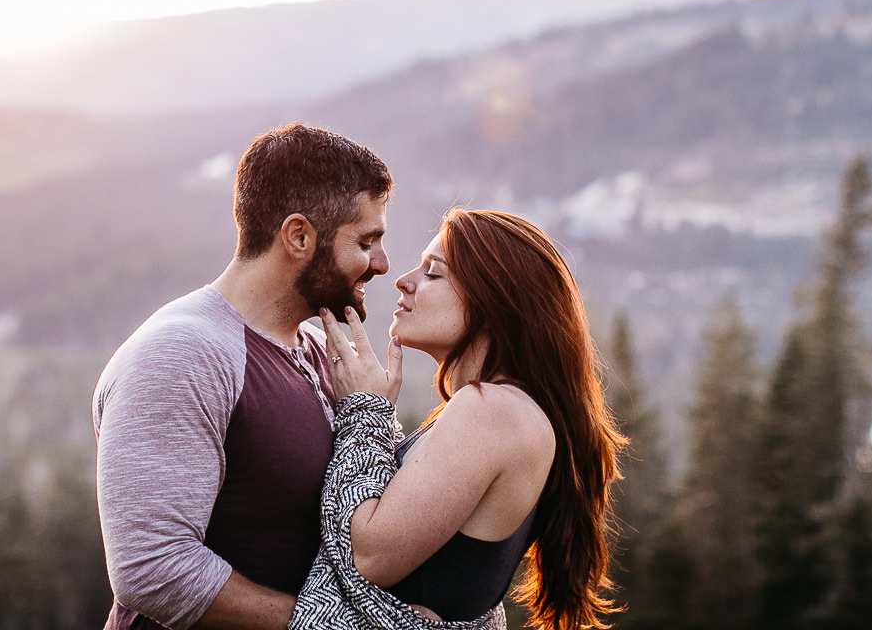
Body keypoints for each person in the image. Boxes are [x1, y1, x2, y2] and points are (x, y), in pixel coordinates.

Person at [93, 123, 394, 630]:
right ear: (299, 236)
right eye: (366, 241)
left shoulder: (320, 348)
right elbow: (150, 568)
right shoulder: (182, 353)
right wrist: (325, 625)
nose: (382, 264)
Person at [293, 208, 623, 630]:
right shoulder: (500, 409)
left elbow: (370, 558)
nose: (404, 280)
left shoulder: (493, 410)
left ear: (494, 300)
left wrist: (363, 409)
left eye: (433, 273)